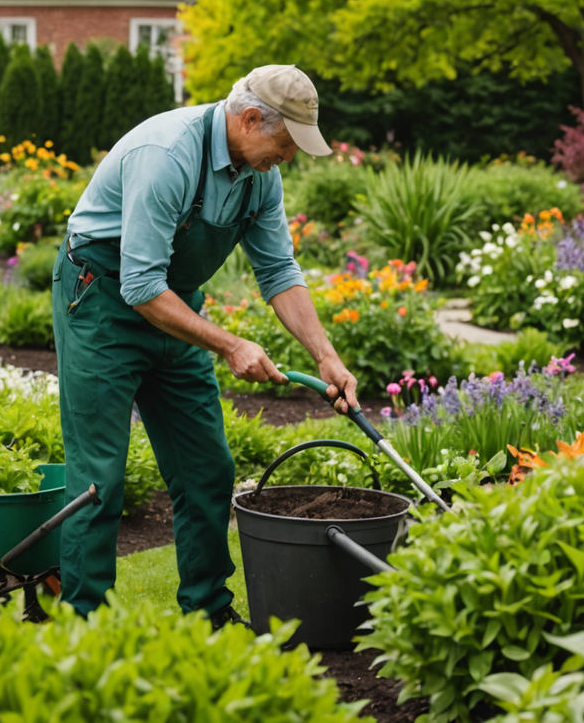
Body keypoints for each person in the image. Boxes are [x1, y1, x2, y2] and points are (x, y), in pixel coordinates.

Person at [53, 63, 359, 626]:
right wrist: (229, 344)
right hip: (101, 300)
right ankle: (82, 626)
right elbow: (139, 283)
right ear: (249, 120)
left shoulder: (259, 173)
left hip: (174, 306)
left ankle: (208, 613)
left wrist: (327, 355)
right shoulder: (167, 155)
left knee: (207, 468)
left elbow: (278, 270)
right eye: (286, 144)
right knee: (101, 474)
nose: (287, 158)